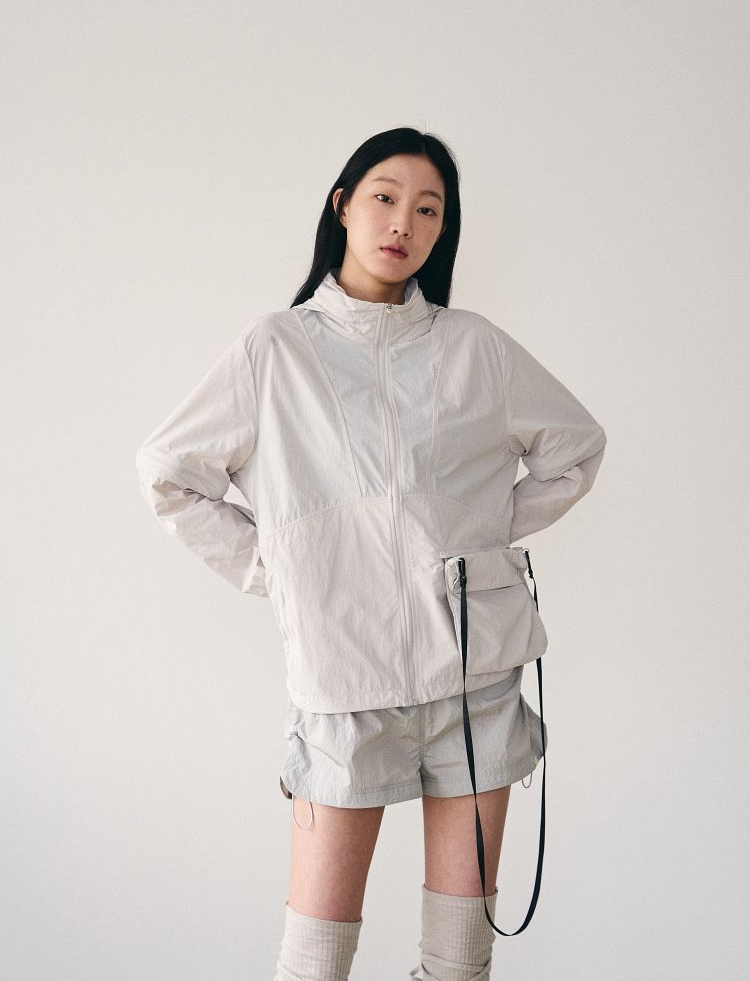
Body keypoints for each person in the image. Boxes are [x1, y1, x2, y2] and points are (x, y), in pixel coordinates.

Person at [135, 126, 607, 981]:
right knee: (315, 963)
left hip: (475, 679)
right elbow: (169, 475)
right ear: (343, 206)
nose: (403, 223)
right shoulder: (275, 350)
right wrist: (282, 572)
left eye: (428, 210)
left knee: (459, 962)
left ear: (442, 230)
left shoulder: (475, 347)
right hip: (344, 685)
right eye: (386, 198)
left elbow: (575, 448)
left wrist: (475, 539)